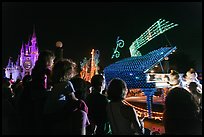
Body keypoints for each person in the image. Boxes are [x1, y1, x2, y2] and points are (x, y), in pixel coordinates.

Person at [43, 58, 89, 135]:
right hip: (57, 113)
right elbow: (74, 100)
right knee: (82, 108)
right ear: (68, 72)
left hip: (48, 113)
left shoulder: (55, 85)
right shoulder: (67, 84)